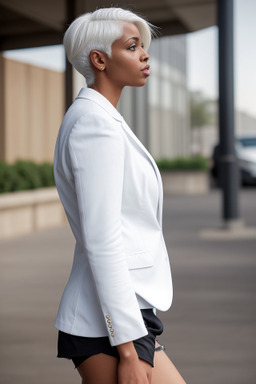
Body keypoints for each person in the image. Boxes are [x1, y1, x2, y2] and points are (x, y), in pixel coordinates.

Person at [54, 7, 186, 384]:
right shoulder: (94, 124)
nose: (145, 54)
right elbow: (102, 239)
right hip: (106, 323)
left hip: (122, 312)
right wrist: (128, 348)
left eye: (143, 46)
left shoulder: (101, 118)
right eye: (132, 46)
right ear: (100, 59)